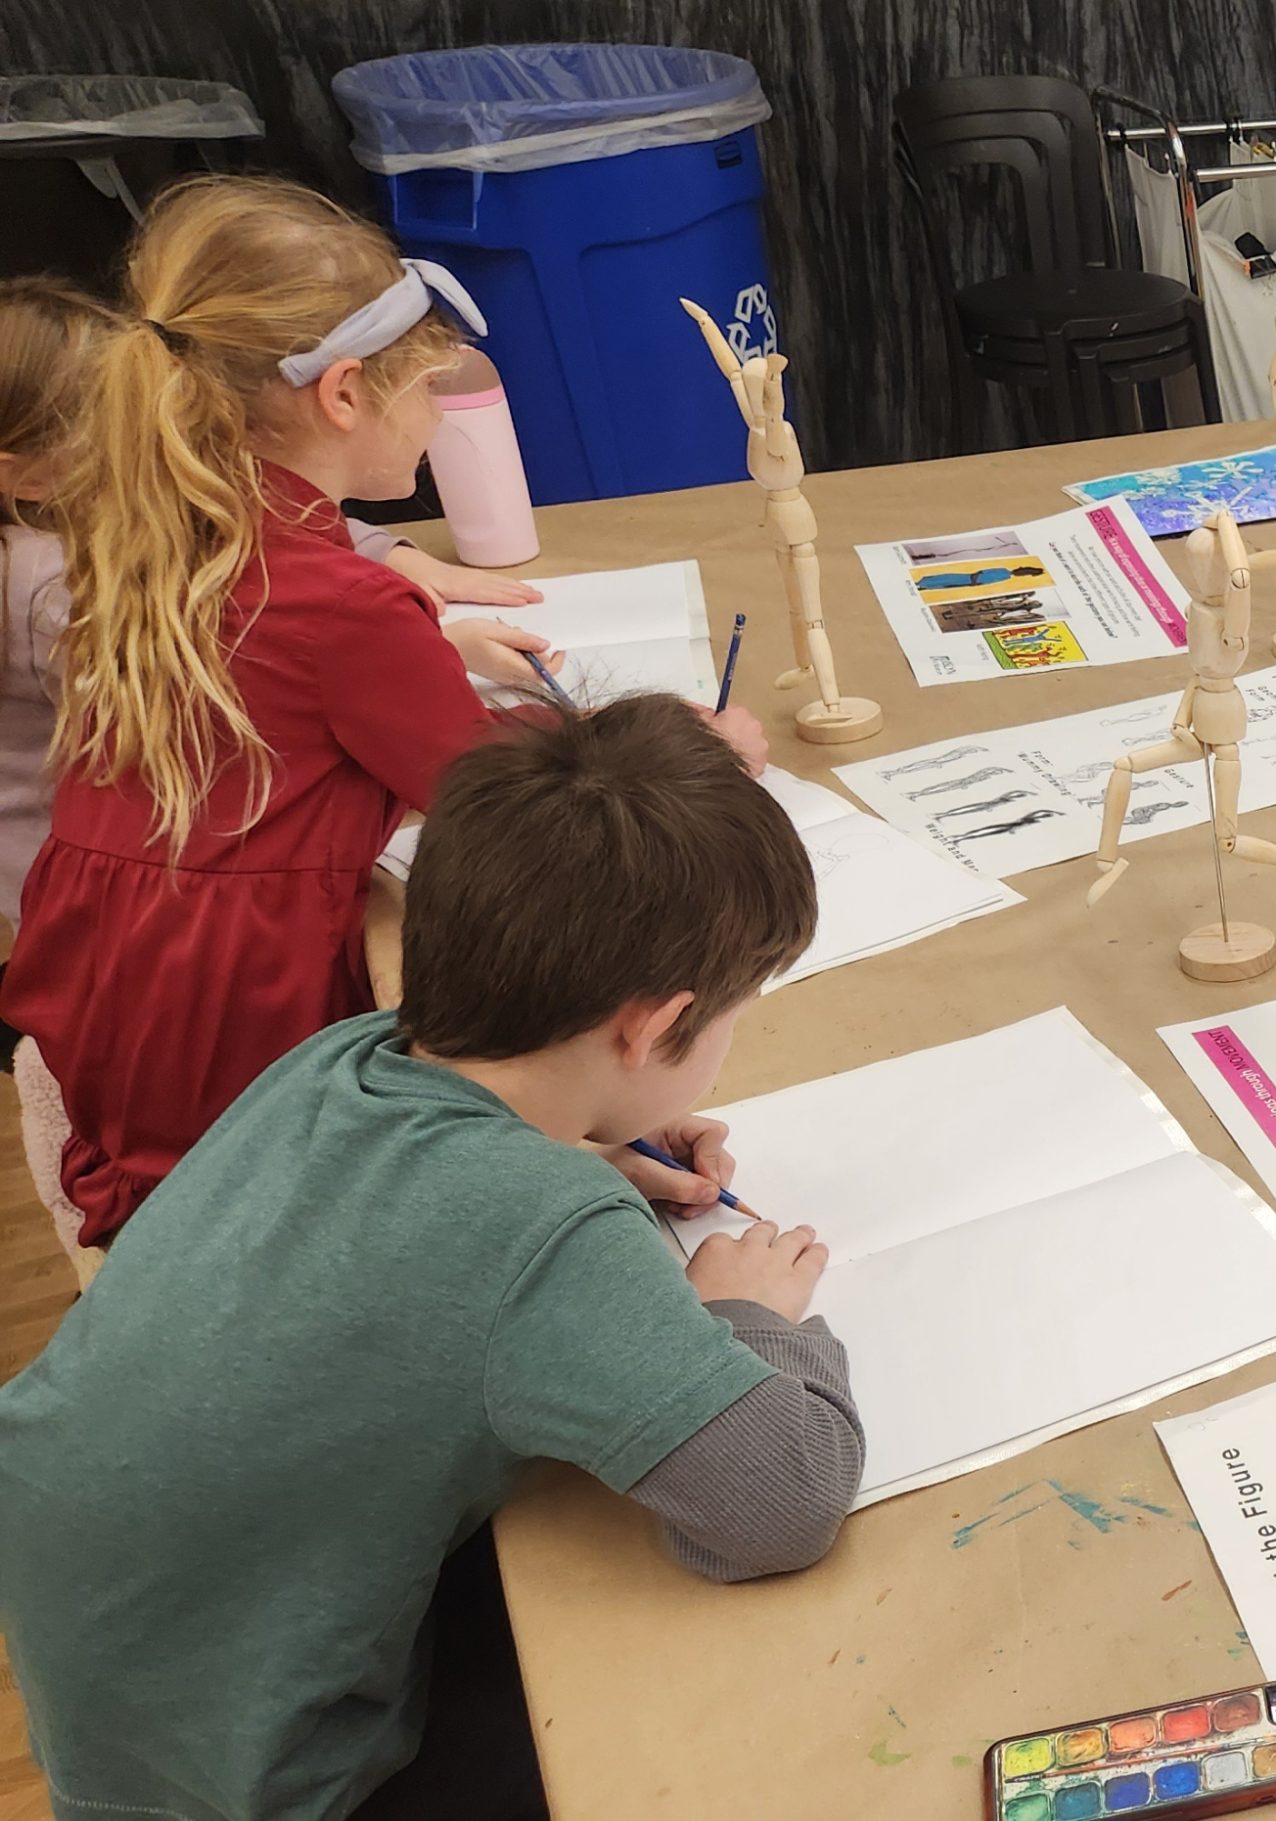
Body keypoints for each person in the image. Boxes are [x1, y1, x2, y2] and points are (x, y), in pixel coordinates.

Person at [0, 694, 859, 1821]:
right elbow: (782, 1502)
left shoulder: (345, 1057)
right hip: (273, 1771)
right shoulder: (541, 1233)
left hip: (135, 1685)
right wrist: (755, 1320)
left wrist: (587, 1135)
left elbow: (412, 1224)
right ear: (655, 1028)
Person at [0, 177, 769, 1248]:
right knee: (320, 1220)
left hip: (116, 976)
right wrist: (692, 753)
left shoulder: (155, 533)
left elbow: (285, 674)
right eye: (430, 392)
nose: (436, 421)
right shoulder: (344, 609)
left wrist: (420, 636)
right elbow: (506, 799)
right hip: (239, 1021)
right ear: (346, 394)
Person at [0, 274, 544, 932]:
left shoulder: (111, 523)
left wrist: (392, 560)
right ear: (24, 474)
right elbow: (481, 789)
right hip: (98, 912)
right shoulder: (51, 577)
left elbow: (241, 530)